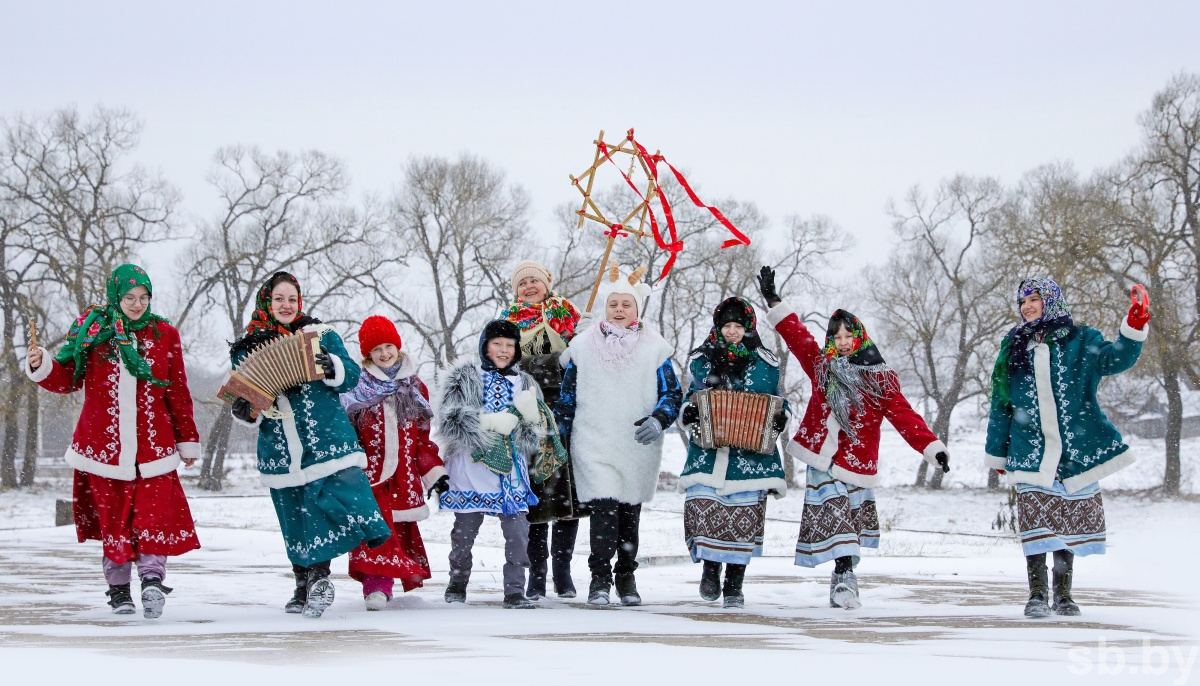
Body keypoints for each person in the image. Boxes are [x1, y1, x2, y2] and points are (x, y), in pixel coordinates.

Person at [757, 266, 949, 609]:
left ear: (859, 337)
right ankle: (845, 576)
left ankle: (843, 576)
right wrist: (773, 299)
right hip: (822, 457)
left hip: (856, 461)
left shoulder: (880, 378)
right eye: (837, 337)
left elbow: (905, 416)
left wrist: (932, 449)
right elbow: (798, 337)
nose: (843, 342)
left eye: (848, 336)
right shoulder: (822, 367)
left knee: (848, 524)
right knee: (834, 516)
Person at [26, 264, 200, 619]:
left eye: (143, 297)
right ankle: (119, 590)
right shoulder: (93, 332)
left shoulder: (164, 334)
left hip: (155, 448)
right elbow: (65, 378)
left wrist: (187, 439)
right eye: (129, 298)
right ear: (115, 297)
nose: (137, 304)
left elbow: (178, 391)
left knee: (152, 519)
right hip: (104, 448)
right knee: (115, 522)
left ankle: (152, 582)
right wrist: (41, 363)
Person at [229, 272, 391, 618]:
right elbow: (245, 400)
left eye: (292, 299)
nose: (286, 306)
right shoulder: (247, 347)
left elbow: (350, 375)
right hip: (280, 447)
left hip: (327, 440)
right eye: (278, 299)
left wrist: (327, 364)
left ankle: (320, 577)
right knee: (293, 514)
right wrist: (245, 409)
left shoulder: (322, 334)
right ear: (266, 303)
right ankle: (301, 582)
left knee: (327, 506)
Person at [985, 278, 1149, 617]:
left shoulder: (1081, 340)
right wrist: (998, 452)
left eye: (1033, 299)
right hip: (1030, 451)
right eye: (1022, 302)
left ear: (1051, 300)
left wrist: (1134, 326)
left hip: (1075, 450)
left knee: (1064, 523)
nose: (1027, 306)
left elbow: (1115, 359)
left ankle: (1063, 596)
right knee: (1035, 523)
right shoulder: (1013, 346)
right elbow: (1000, 404)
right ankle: (1036, 596)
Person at [555, 261, 682, 606]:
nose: (619, 310)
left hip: (637, 444)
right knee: (603, 510)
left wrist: (659, 419)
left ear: (637, 309)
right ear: (604, 308)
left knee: (629, 515)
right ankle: (599, 579)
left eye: (627, 304)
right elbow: (566, 399)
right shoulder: (582, 346)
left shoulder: (655, 348)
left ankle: (626, 576)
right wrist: (558, 439)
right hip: (593, 441)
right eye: (613, 304)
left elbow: (672, 393)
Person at [678, 297, 789, 608]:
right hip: (710, 452)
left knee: (744, 519)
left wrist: (782, 417)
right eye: (726, 325)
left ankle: (735, 584)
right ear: (718, 327)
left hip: (751, 454)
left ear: (748, 327)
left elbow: (778, 398)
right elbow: (691, 395)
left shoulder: (765, 362)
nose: (732, 331)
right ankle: (711, 571)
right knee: (705, 509)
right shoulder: (702, 360)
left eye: (738, 326)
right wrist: (688, 412)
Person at [435, 319, 546, 609]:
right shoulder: (465, 376)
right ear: (485, 345)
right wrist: (488, 424)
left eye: (510, 345)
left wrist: (525, 423)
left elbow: (536, 427)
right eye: (497, 343)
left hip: (510, 471)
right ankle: (457, 583)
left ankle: (514, 591)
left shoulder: (525, 382)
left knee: (518, 534)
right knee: (463, 534)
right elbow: (450, 418)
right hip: (471, 467)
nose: (503, 350)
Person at [342, 315, 447, 610]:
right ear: (368, 355)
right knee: (375, 530)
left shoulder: (414, 388)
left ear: (397, 347)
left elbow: (422, 438)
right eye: (376, 349)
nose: (384, 353)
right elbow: (348, 433)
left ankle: (385, 585)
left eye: (388, 346)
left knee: (398, 531)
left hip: (403, 476)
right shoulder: (356, 389)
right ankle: (375, 587)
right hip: (369, 475)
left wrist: (433, 471)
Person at [502, 259, 587, 600]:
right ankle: (537, 571)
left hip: (568, 415)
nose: (529, 286)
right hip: (530, 415)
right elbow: (510, 366)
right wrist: (551, 364)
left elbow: (581, 365)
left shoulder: (569, 316)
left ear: (547, 283)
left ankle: (563, 570)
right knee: (536, 497)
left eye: (535, 280)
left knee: (570, 497)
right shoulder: (507, 325)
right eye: (523, 283)